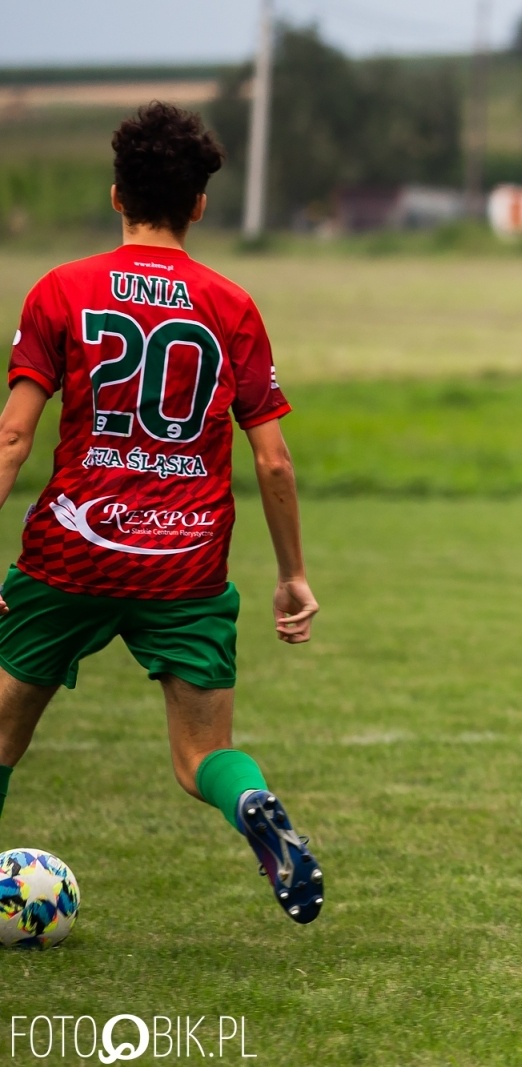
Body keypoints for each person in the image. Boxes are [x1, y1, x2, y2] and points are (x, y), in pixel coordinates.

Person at [0, 103, 324, 924]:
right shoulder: (231, 305)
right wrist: (291, 574)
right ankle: (250, 802)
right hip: (185, 565)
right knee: (201, 757)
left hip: (68, 554)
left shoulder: (60, 290)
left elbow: (12, 437)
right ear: (201, 205)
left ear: (117, 196)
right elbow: (273, 458)